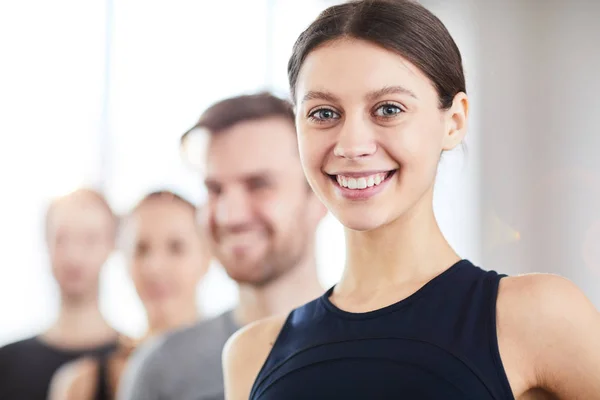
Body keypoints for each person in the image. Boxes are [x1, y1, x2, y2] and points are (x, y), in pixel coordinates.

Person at [222, 1, 600, 399]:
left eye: (388, 109)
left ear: (453, 122)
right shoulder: (250, 355)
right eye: (323, 113)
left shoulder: (538, 315)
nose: (351, 145)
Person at [120, 92, 326, 400]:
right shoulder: (163, 368)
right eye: (214, 189)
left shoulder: (378, 349)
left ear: (319, 196)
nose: (230, 215)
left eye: (259, 185)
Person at [48, 190, 211, 400]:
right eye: (141, 249)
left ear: (207, 257)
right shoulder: (81, 385)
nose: (154, 267)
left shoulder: (240, 362)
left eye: (176, 248)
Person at [0, 189, 120, 400]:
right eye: (62, 239)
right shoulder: (6, 363)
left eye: (90, 239)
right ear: (46, 243)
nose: (74, 255)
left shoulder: (135, 362)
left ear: (111, 245)